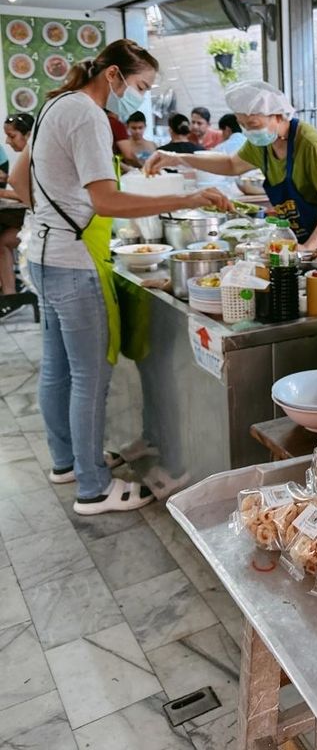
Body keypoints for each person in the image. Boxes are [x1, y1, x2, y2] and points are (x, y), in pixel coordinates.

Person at [9, 39, 232, 515]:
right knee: (90, 376)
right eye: (140, 85)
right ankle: (92, 488)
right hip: (72, 261)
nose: (141, 95)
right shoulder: (88, 114)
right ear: (112, 75)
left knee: (59, 369)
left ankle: (68, 462)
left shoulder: (54, 105)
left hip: (44, 254)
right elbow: (106, 201)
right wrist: (186, 200)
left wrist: (52, 212)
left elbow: (21, 182)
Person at [147, 81, 317, 256]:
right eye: (243, 124)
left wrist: (309, 248)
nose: (249, 131)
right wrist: (178, 158)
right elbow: (231, 165)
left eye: (254, 124)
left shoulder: (310, 145)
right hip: (302, 236)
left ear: (278, 115)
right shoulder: (264, 142)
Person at [0, 113, 34, 305]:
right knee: (3, 240)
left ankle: (11, 295)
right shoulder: (25, 157)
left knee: (4, 241)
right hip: (31, 219)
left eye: (12, 136)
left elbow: (30, 195)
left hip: (43, 225)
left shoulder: (35, 158)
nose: (7, 141)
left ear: (28, 135)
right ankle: (10, 295)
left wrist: (3, 193)